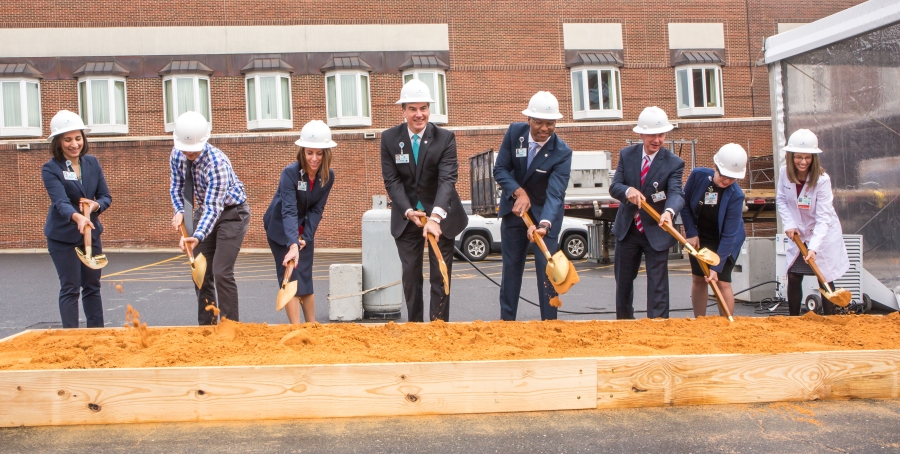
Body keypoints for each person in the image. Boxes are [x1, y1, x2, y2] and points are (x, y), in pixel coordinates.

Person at [380, 79, 467, 322]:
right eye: (413, 109)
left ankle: (438, 327)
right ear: (403, 110)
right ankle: (416, 328)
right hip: (407, 218)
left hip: (442, 218)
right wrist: (408, 211)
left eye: (424, 108)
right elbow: (392, 181)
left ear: (429, 109)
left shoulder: (445, 138)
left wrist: (436, 218)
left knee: (440, 276)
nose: (419, 114)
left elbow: (447, 180)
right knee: (411, 276)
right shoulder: (389, 139)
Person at [493, 91, 572, 321]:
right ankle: (507, 323)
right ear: (529, 119)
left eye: (550, 123)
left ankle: (549, 324)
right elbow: (500, 170)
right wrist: (519, 192)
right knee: (511, 271)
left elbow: (556, 193)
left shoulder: (562, 152)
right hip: (514, 213)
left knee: (547, 271)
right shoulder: (514, 133)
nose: (544, 128)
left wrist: (544, 224)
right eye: (539, 122)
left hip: (544, 217)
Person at [168, 111, 250, 325]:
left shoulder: (217, 163)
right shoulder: (177, 154)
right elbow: (177, 189)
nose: (189, 153)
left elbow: (214, 208)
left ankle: (230, 326)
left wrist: (197, 235)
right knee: (200, 269)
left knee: (221, 271)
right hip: (204, 210)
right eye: (185, 148)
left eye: (193, 149)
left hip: (232, 213)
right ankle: (207, 325)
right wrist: (179, 212)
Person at [609, 106, 685, 319]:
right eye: (652, 134)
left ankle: (658, 325)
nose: (657, 140)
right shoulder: (627, 155)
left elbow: (677, 193)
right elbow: (615, 187)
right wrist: (627, 190)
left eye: (661, 135)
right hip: (628, 229)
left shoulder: (674, 163)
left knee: (658, 284)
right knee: (623, 282)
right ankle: (625, 323)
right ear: (641, 134)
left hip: (657, 229)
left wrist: (669, 212)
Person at [41, 110, 112, 328]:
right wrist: (77, 217)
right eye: (68, 139)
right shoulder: (51, 169)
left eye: (78, 138)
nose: (74, 144)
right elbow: (60, 201)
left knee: (92, 286)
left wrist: (95, 205)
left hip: (91, 233)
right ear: (58, 142)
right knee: (70, 287)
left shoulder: (92, 163)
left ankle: (96, 334)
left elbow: (105, 196)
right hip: (63, 236)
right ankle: (71, 338)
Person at [264, 120, 336, 324]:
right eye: (310, 153)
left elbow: (317, 209)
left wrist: (306, 236)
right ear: (303, 152)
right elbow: (288, 209)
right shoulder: (290, 173)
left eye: (319, 153)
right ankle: (296, 330)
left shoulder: (327, 176)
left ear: (326, 154)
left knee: (304, 274)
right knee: (292, 276)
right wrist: (292, 244)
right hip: (280, 230)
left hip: (304, 230)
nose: (314, 159)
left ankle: (311, 324)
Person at [776, 129, 849, 316]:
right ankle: (794, 319)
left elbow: (824, 217)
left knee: (823, 276)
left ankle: (829, 318)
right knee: (793, 275)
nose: (802, 161)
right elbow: (782, 200)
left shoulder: (822, 180)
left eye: (807, 157)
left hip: (822, 234)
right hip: (799, 232)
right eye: (798, 157)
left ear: (813, 157)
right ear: (791, 156)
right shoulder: (784, 173)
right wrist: (789, 224)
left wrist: (814, 248)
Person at [680, 143, 747, 317]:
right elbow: (684, 204)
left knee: (721, 281)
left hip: (725, 241)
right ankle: (700, 320)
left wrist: (717, 266)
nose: (726, 181)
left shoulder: (736, 195)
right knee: (699, 278)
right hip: (700, 237)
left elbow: (729, 234)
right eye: (723, 176)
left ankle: (725, 324)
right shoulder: (698, 176)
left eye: (732, 178)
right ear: (715, 167)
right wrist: (691, 232)